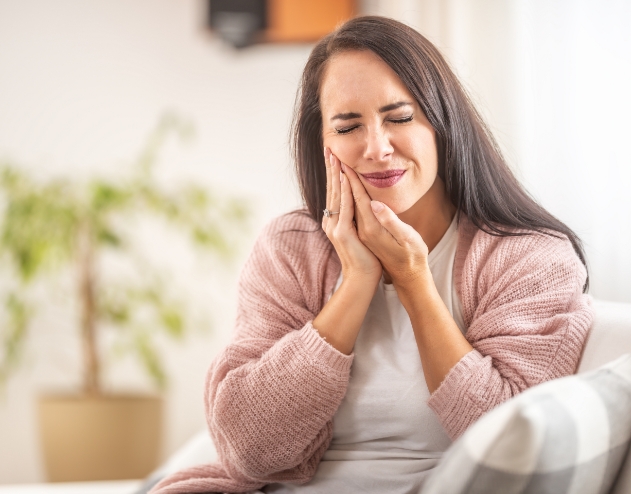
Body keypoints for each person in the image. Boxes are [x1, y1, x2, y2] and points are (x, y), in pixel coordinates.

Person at [150, 16, 593, 494]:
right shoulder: (290, 249)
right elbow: (248, 448)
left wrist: (414, 282)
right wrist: (357, 282)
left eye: (400, 118)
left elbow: (511, 446)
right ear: (323, 143)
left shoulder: (529, 261)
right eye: (348, 126)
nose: (377, 148)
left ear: (443, 125)